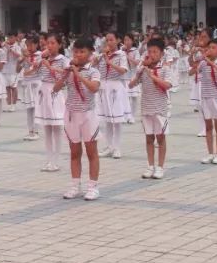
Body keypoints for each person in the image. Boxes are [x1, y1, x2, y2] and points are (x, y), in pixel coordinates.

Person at [55, 37, 102, 200]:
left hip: (88, 115)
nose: (79, 55)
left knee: (91, 152)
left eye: (82, 52)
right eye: (76, 52)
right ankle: (75, 185)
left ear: (90, 54)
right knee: (74, 152)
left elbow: (94, 88)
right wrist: (66, 74)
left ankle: (93, 186)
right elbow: (55, 88)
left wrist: (78, 75)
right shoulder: (69, 70)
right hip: (71, 114)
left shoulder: (93, 71)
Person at [131, 38, 172, 179]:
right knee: (149, 138)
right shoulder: (143, 69)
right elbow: (131, 85)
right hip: (146, 108)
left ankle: (160, 167)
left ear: (161, 53)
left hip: (160, 108)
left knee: (160, 138)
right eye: (149, 51)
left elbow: (167, 85)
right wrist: (139, 72)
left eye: (155, 52)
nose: (152, 54)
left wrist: (152, 76)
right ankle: (150, 166)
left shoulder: (165, 68)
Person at [37, 33, 68, 172]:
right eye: (47, 43)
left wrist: (50, 66)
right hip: (44, 91)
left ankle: (56, 161)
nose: (49, 46)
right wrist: (41, 59)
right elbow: (33, 69)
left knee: (56, 128)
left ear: (59, 45)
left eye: (52, 43)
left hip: (55, 92)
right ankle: (49, 160)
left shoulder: (63, 60)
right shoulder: (44, 58)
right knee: (47, 128)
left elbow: (63, 77)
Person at [96, 32, 130, 160]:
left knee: (117, 120)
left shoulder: (121, 55)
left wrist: (109, 62)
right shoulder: (103, 55)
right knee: (108, 120)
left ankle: (117, 148)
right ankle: (109, 146)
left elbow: (123, 70)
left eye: (111, 40)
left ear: (117, 41)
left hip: (116, 87)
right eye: (107, 40)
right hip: (104, 88)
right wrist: (99, 58)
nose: (109, 42)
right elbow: (93, 67)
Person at [195, 38, 217, 164]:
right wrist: (196, 56)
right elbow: (191, 71)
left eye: (213, 48)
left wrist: (212, 63)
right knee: (208, 126)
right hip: (205, 97)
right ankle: (210, 153)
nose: (210, 50)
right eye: (209, 48)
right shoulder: (203, 63)